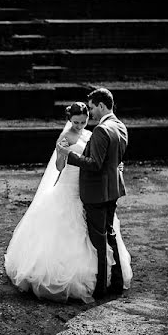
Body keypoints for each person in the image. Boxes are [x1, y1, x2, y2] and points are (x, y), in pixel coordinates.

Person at [4, 101, 132, 303]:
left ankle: (103, 275)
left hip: (88, 187)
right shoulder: (66, 137)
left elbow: (100, 158)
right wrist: (62, 154)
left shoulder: (92, 134)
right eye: (76, 122)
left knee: (94, 231)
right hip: (69, 185)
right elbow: (58, 166)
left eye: (83, 121)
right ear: (69, 120)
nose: (80, 126)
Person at [58, 88, 130, 298]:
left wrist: (69, 156)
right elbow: (114, 158)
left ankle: (100, 287)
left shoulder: (101, 130)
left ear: (100, 105)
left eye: (91, 108)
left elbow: (95, 163)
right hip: (112, 190)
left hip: (97, 192)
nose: (91, 113)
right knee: (110, 235)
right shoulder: (119, 125)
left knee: (99, 241)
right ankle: (116, 281)